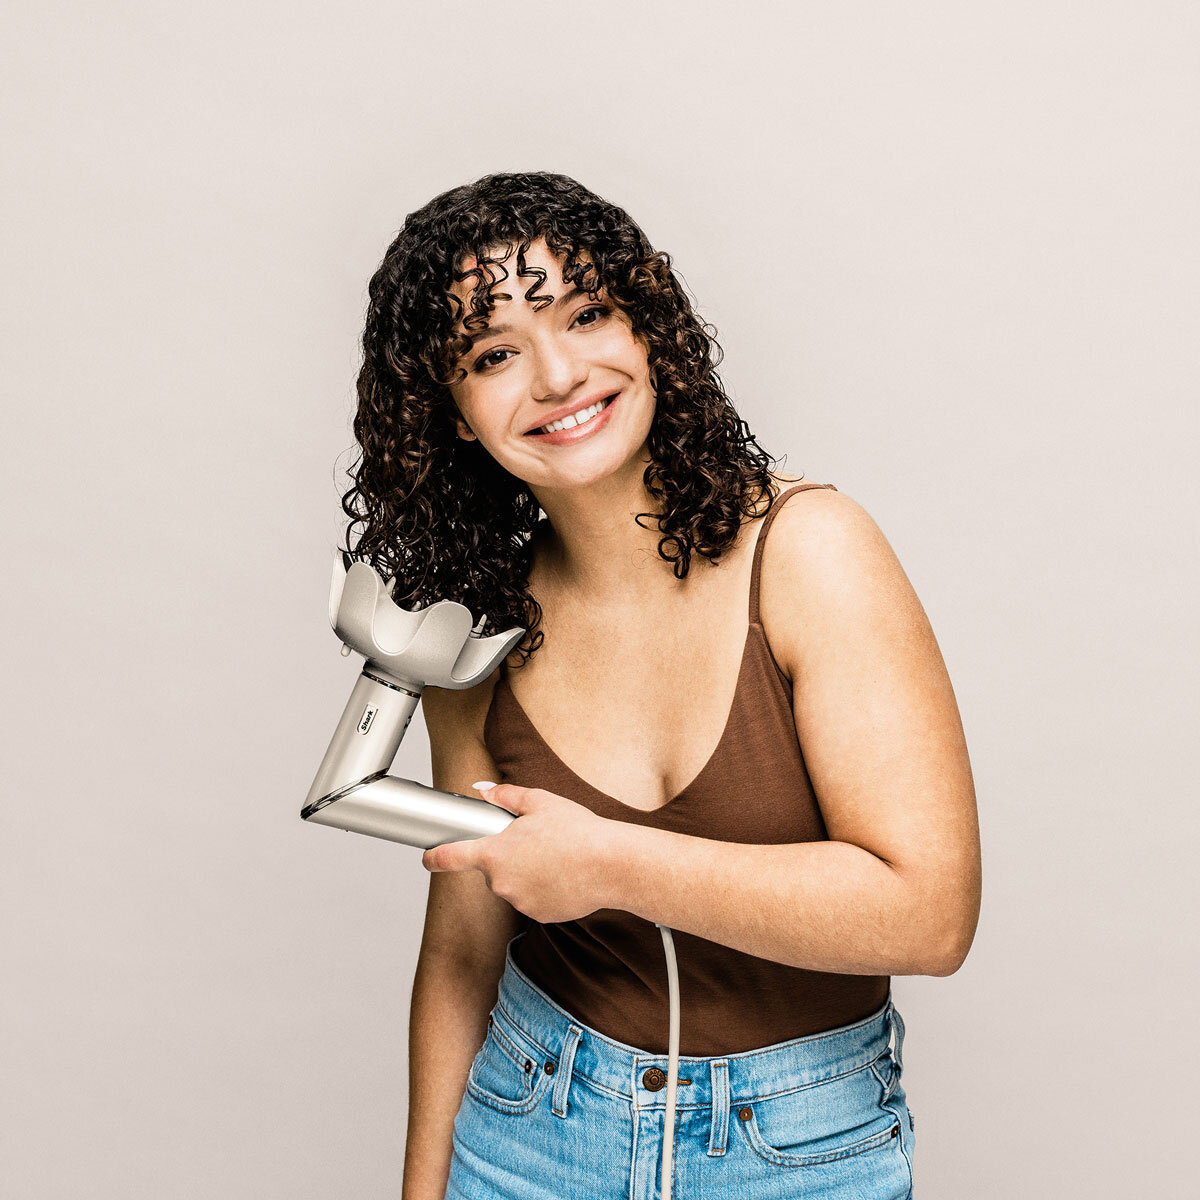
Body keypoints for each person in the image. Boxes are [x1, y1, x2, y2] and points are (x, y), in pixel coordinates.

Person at [342, 171, 981, 1200]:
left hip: (801, 1151)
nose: (556, 375)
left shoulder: (814, 553)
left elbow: (929, 915)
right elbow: (463, 945)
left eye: (585, 313)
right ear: (453, 413)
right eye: (493, 354)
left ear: (648, 331)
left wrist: (608, 863)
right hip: (526, 1128)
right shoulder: (481, 621)